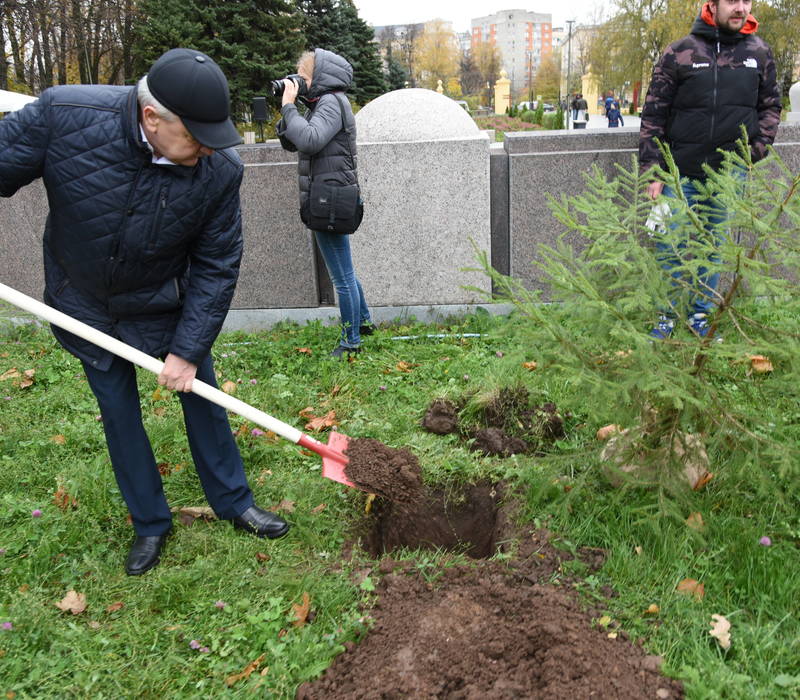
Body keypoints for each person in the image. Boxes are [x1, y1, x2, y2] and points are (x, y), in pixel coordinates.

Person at [0, 48, 291, 576]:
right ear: (152, 118)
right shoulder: (63, 116)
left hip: (165, 301)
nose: (208, 147)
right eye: (197, 135)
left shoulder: (218, 169)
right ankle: (150, 524)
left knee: (203, 395)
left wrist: (186, 349)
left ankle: (235, 501)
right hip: (84, 301)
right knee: (118, 410)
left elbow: (217, 263)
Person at [639, 0, 781, 338]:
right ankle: (667, 316)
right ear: (712, 5)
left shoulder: (759, 53)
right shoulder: (680, 52)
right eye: (732, 1)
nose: (741, 8)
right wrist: (653, 170)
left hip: (727, 175)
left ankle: (700, 315)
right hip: (678, 172)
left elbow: (771, 106)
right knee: (669, 246)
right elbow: (654, 114)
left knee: (713, 247)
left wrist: (753, 152)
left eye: (746, 1)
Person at [277, 48, 374, 358]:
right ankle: (364, 323)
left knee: (341, 276)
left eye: (304, 78)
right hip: (328, 194)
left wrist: (289, 107)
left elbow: (311, 140)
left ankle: (351, 342)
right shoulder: (321, 104)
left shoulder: (330, 102)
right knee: (345, 267)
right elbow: (297, 141)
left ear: (319, 78)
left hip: (328, 198)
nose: (300, 84)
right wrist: (289, 114)